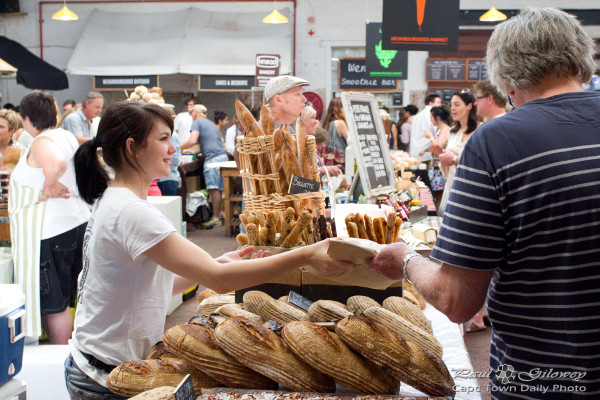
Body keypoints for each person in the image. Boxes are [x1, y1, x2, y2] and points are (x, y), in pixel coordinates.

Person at [369, 8, 600, 398]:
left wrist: (405, 259)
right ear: (582, 62)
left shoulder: (497, 142)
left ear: (506, 79)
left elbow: (458, 300)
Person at [65, 101, 355, 399]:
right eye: (163, 139)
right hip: (103, 378)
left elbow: (150, 289)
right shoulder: (132, 211)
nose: (173, 149)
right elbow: (219, 279)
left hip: (94, 364)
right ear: (131, 147)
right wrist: (307, 255)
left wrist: (214, 262)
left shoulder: (114, 199)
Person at [9, 91, 90, 344]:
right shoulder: (65, 135)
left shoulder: (41, 141)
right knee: (65, 298)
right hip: (73, 223)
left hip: (50, 231)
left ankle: (59, 358)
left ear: (26, 119)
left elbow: (56, 164)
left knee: (56, 304)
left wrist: (48, 185)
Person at [181, 104, 228, 228]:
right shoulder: (210, 124)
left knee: (214, 188)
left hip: (212, 160)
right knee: (221, 188)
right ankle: (220, 214)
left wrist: (178, 147)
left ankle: (215, 218)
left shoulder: (197, 122)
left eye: (191, 114)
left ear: (196, 114)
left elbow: (192, 140)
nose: (191, 116)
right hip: (222, 156)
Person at [437, 91, 479, 216]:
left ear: (469, 106)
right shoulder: (452, 132)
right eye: (451, 105)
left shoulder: (480, 131)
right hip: (451, 185)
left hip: (470, 188)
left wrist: (454, 158)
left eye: (457, 104)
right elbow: (446, 164)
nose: (453, 109)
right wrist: (443, 158)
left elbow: (478, 161)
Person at [420, 105, 451, 211]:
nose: (430, 120)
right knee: (437, 195)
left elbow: (439, 146)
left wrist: (430, 137)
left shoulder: (445, 129)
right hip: (437, 166)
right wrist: (426, 149)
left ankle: (439, 216)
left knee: (439, 195)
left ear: (437, 117)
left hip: (440, 167)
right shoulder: (441, 129)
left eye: (431, 117)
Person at [409, 94, 442, 168]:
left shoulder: (417, 115)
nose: (440, 104)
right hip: (426, 152)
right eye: (438, 102)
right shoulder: (431, 114)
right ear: (430, 103)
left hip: (415, 150)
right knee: (424, 176)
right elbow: (435, 133)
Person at [321, 98, 349, 171]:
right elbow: (350, 140)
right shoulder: (340, 123)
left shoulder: (327, 123)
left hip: (328, 161)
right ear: (339, 109)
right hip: (339, 161)